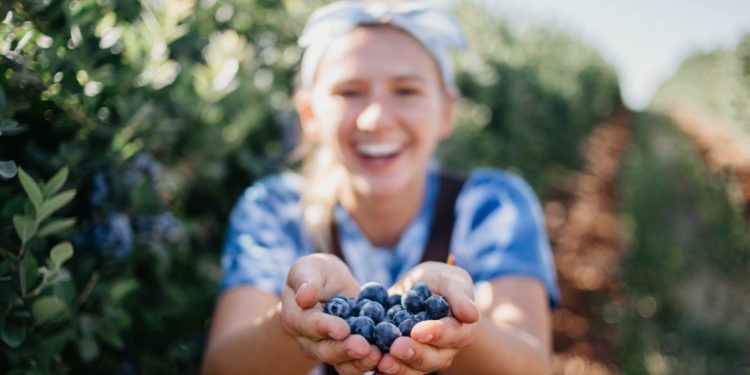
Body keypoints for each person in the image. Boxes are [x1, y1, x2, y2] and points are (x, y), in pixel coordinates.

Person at [202, 1, 559, 374]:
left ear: (446, 111)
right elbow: (221, 367)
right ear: (310, 114)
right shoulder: (274, 209)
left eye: (406, 91)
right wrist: (295, 323)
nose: (376, 119)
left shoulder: (492, 208)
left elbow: (533, 366)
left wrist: (461, 328)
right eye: (349, 91)